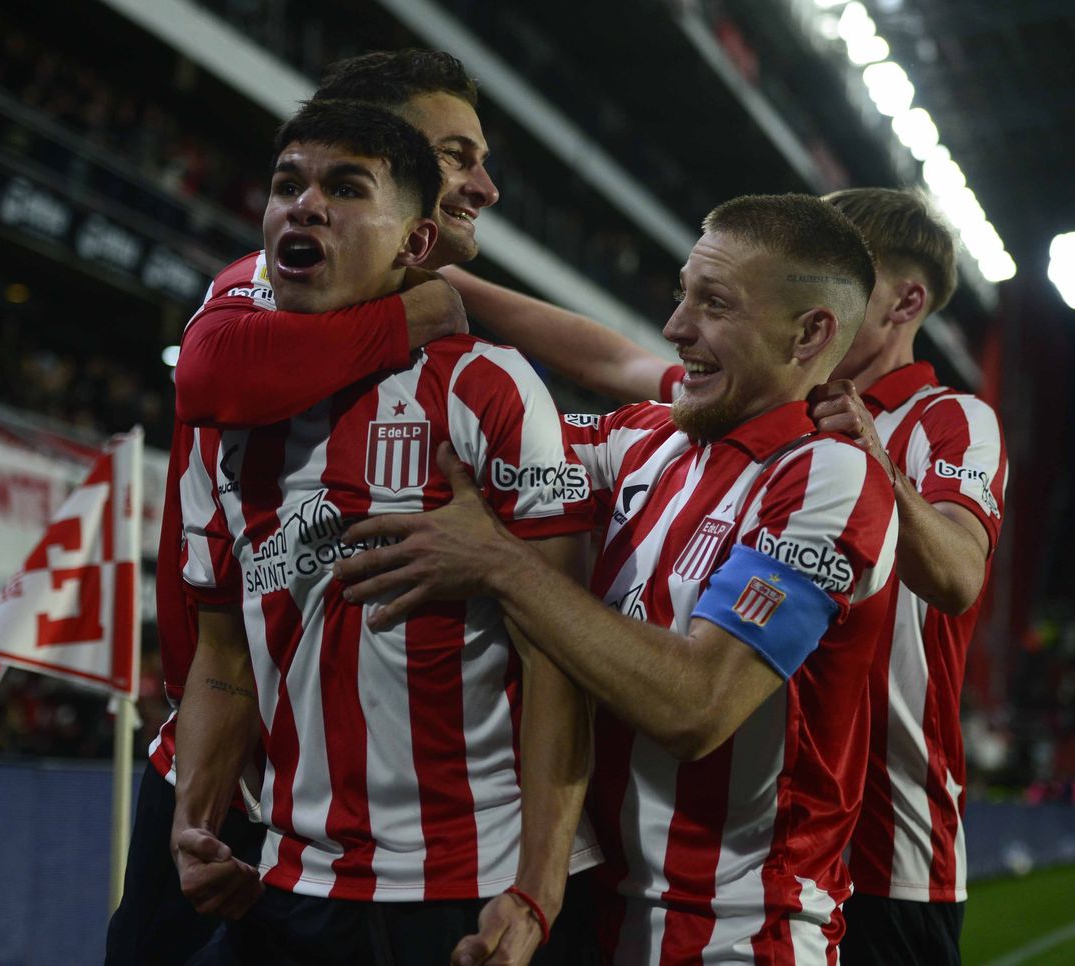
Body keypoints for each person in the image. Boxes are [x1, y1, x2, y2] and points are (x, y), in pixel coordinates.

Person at [336, 194, 900, 963]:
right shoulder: (643, 442)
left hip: (736, 938)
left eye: (714, 304)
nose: (677, 327)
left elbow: (696, 704)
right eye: (682, 294)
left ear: (809, 334)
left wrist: (500, 564)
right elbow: (493, 442)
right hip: (587, 920)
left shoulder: (828, 481)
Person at [174, 99, 599, 965]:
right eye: (287, 184)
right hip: (292, 885)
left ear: (413, 243)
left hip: (470, 887)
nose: (304, 205)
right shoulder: (227, 417)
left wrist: (539, 888)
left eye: (345, 188)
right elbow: (222, 660)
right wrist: (195, 824)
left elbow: (561, 660)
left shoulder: (490, 390)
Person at [105, 50, 505, 965]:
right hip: (223, 776)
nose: (483, 183)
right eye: (454, 154)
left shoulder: (475, 372)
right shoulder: (259, 291)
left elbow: (600, 359)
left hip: (368, 834)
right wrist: (415, 313)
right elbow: (213, 371)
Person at [809, 189, 1008, 966]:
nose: (813, 300)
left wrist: (879, 462)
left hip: (894, 859)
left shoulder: (953, 421)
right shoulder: (790, 404)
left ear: (906, 300)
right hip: (777, 861)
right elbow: (616, 360)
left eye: (837, 278)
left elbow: (960, 575)